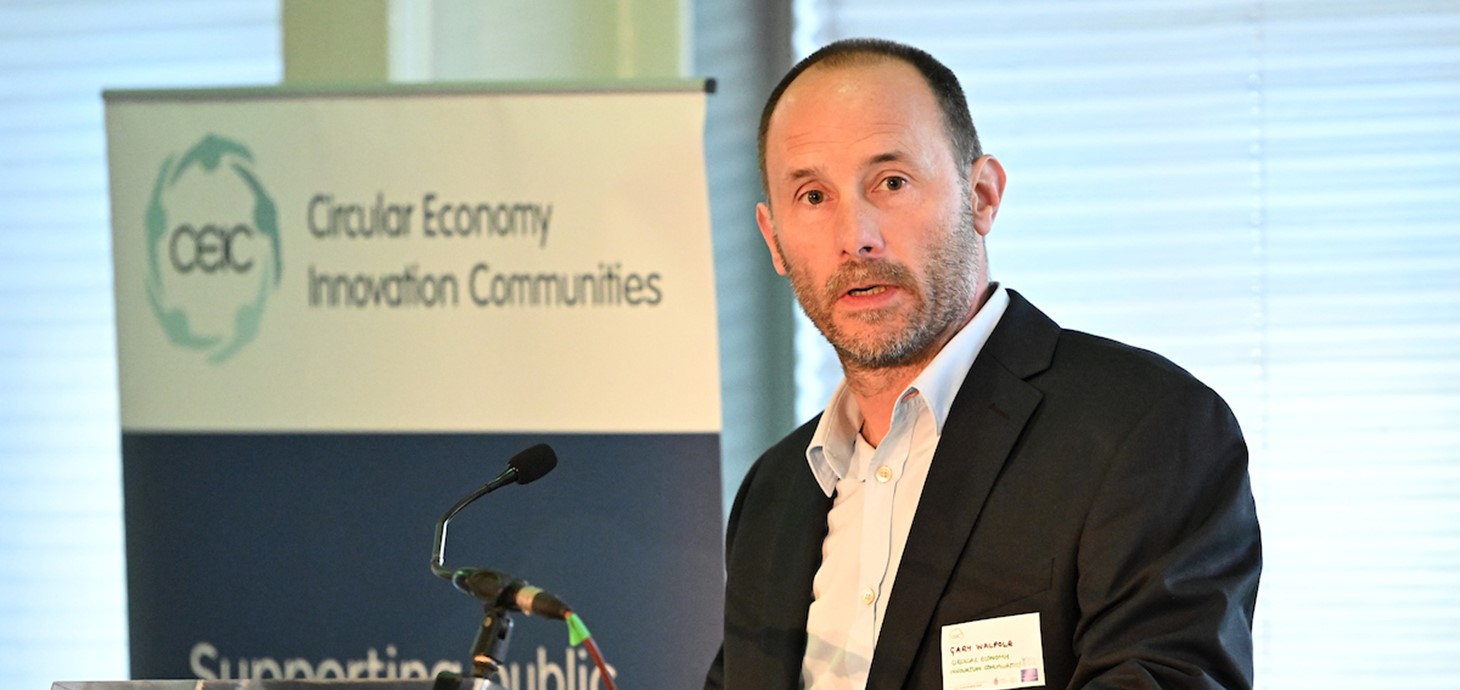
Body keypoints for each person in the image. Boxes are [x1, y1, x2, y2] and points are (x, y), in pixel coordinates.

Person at [705, 38, 1261, 689]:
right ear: (774, 240)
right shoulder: (771, 495)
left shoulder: (1145, 430)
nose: (855, 235)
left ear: (984, 195)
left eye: (890, 182)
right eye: (813, 196)